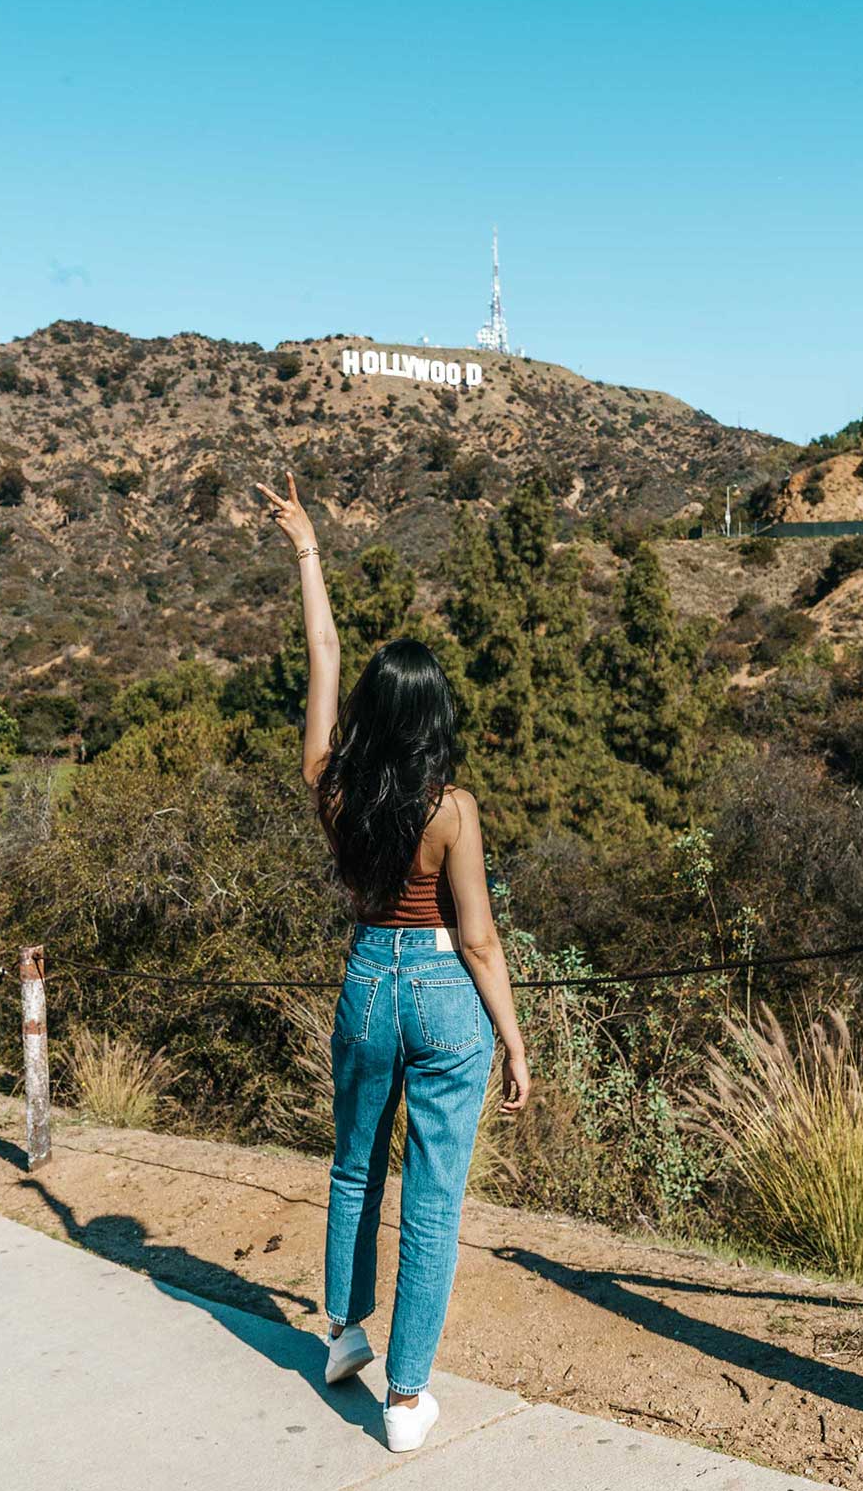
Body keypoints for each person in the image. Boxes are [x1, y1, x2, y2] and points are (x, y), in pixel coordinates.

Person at [255, 471, 531, 1454]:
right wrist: (514, 1038)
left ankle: (342, 1334)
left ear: (373, 713)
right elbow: (480, 939)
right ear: (437, 721)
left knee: (353, 1166)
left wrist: (306, 548)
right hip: (446, 995)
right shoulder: (451, 810)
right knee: (434, 1195)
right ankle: (407, 1400)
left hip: (368, 979)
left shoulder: (330, 786)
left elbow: (321, 650)